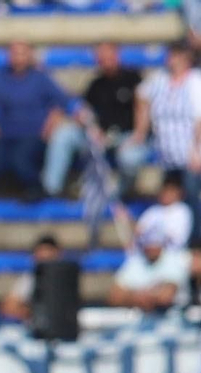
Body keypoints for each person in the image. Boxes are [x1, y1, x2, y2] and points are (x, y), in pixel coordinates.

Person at [0, 41, 77, 199]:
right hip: (5, 134)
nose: (18, 57)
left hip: (33, 134)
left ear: (29, 56)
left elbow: (62, 102)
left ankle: (36, 190)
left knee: (21, 160)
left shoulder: (40, 78)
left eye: (22, 53)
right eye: (14, 53)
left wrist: (49, 126)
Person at [45, 40, 143, 199]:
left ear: (117, 55)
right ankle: (52, 189)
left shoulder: (133, 79)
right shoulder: (96, 84)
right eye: (101, 57)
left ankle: (121, 194)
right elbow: (83, 111)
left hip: (126, 136)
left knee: (130, 157)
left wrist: (137, 135)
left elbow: (143, 110)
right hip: (99, 137)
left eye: (108, 56)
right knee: (64, 135)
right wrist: (90, 126)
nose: (105, 60)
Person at [124, 42, 201, 207]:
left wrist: (197, 150)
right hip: (165, 154)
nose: (171, 60)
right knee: (170, 202)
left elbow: (199, 119)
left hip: (189, 153)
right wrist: (140, 131)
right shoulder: (160, 79)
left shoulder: (195, 81)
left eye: (176, 56)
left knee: (191, 198)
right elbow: (141, 96)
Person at [110, 231, 190, 312]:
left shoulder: (174, 261)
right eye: (148, 242)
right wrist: (139, 296)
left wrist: (132, 295)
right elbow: (115, 297)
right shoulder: (135, 262)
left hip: (172, 322)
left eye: (155, 242)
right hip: (139, 322)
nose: (151, 247)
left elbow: (165, 297)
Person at [0, 234, 61, 322]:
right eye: (40, 252)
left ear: (57, 253)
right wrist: (31, 312)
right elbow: (8, 306)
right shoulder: (30, 279)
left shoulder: (66, 279)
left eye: (48, 252)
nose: (44, 256)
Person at [135, 171, 193, 252]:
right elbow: (138, 231)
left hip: (172, 254)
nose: (166, 194)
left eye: (170, 191)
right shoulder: (153, 210)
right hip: (147, 253)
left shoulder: (182, 210)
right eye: (165, 190)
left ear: (178, 193)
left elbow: (179, 240)